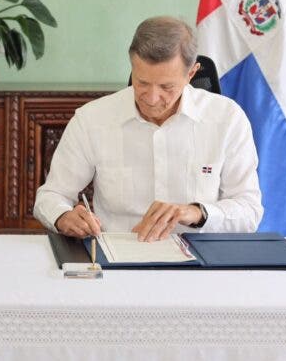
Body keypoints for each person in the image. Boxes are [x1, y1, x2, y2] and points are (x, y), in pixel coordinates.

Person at [33, 16, 262, 241]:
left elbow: (249, 211)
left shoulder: (227, 119)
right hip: (119, 260)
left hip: (200, 263)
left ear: (191, 73)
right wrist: (63, 216)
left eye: (166, 87)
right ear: (132, 65)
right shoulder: (93, 119)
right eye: (142, 82)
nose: (152, 98)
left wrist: (197, 212)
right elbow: (51, 195)